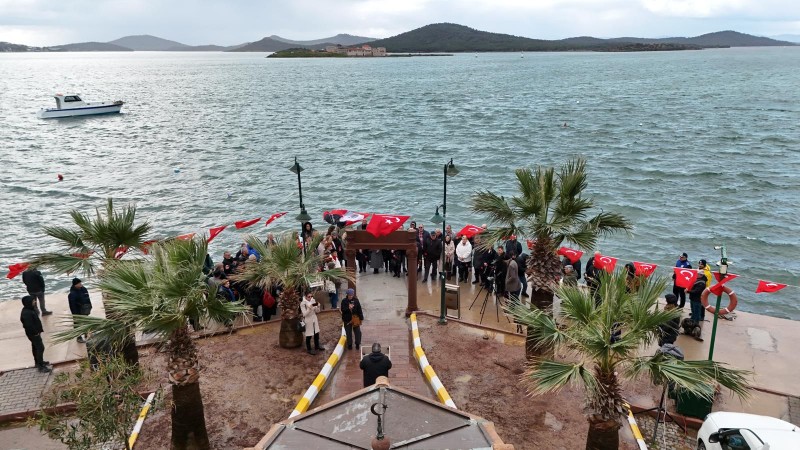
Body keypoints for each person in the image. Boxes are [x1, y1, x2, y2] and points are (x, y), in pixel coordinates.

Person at [20, 295, 51, 373]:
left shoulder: (30, 309)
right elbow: (28, 325)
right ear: (29, 302)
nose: (35, 301)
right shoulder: (27, 313)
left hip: (35, 333)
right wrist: (35, 333)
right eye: (33, 301)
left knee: (35, 347)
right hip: (33, 334)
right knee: (40, 348)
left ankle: (38, 362)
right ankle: (40, 366)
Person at [68, 278, 92, 343]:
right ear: (75, 285)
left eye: (80, 283)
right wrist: (75, 314)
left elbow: (87, 297)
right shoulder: (72, 294)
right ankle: (78, 337)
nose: (80, 284)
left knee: (86, 322)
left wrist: (90, 306)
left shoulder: (84, 289)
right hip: (78, 311)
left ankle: (86, 333)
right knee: (77, 324)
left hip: (85, 309)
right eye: (79, 283)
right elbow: (72, 305)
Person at [300, 291, 325, 355]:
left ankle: (317, 346)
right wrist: (309, 308)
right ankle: (309, 349)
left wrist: (318, 306)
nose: (310, 298)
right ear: (305, 297)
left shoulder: (313, 300)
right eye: (309, 297)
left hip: (314, 319)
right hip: (308, 320)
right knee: (309, 335)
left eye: (311, 296)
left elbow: (317, 311)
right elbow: (304, 314)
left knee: (316, 333)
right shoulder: (303, 304)